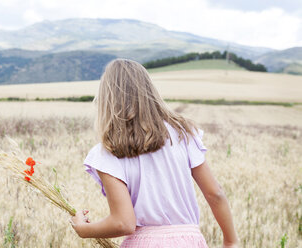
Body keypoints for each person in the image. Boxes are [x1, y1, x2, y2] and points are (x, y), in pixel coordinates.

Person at [71, 59, 238, 247]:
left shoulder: (107, 151)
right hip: (189, 241)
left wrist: (85, 230)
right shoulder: (183, 134)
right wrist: (230, 241)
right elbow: (215, 193)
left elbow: (123, 223)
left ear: (106, 100)